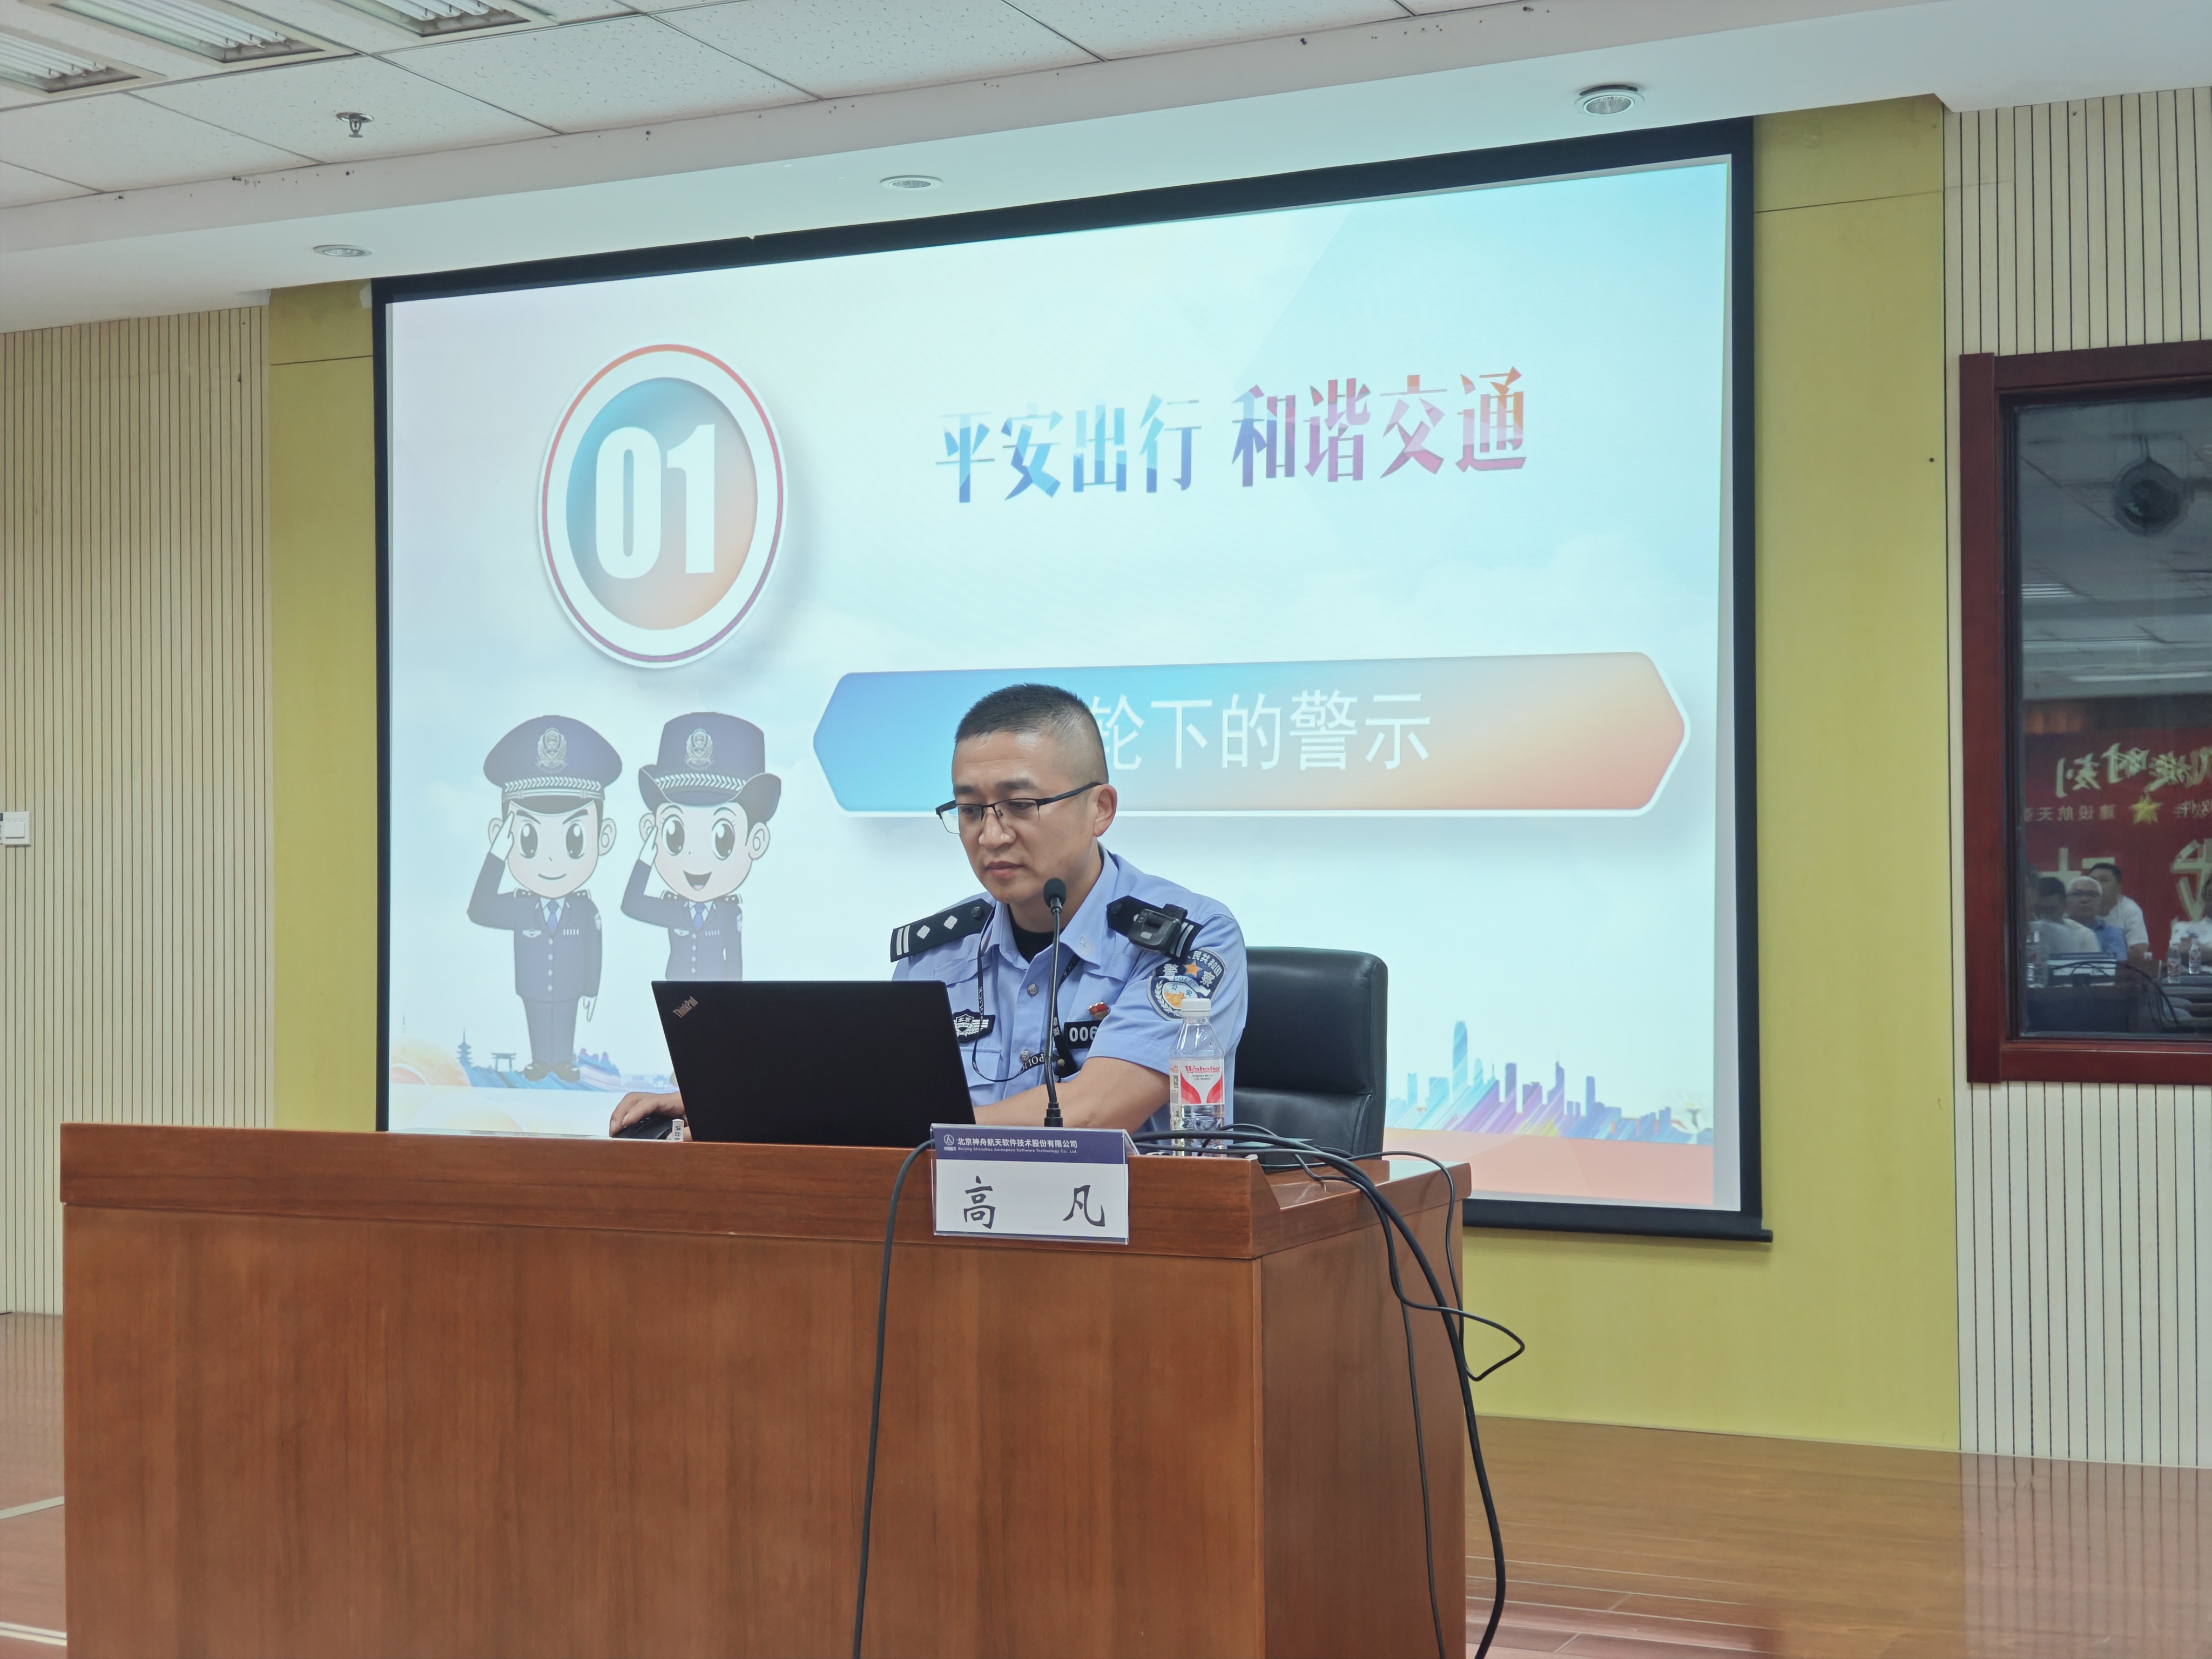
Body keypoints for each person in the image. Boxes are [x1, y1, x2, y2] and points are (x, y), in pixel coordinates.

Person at [610, 683, 1246, 1136]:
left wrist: (901, 1129)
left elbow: (1093, 1112)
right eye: (969, 810)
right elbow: (877, 1093)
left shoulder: (1190, 941)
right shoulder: (938, 953)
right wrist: (734, 1105)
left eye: (1019, 806)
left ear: (1099, 808)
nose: (990, 834)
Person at [469, 716, 622, 1082]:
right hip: (533, 988)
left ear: (603, 837)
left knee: (565, 1019)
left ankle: (563, 1061)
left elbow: (594, 950)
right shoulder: (519, 906)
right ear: (503, 835)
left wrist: (592, 990)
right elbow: (479, 909)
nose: (552, 859)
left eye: (574, 838)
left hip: (570, 989)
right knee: (537, 1018)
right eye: (529, 837)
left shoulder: (585, 909)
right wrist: (497, 855)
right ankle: (541, 1061)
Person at [622, 712, 780, 981]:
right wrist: (645, 861)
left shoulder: (729, 913)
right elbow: (632, 905)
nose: (695, 856)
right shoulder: (673, 910)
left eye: (722, 839)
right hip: (678, 998)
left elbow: (735, 961)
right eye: (675, 835)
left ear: (756, 840)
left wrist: (732, 1001)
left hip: (715, 1000)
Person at [2086, 862, 2153, 967]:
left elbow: (2139, 951)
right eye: (2093, 881)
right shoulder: (2078, 907)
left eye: (2104, 880)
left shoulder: (2129, 909)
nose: (2097, 885)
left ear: (2119, 888)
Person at [2029, 875, 2100, 956]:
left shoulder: (2083, 936)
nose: (2043, 918)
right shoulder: (2022, 935)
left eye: (2050, 911)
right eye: (2038, 911)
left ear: (2065, 906)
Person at [2063, 875, 2127, 960]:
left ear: (2101, 901)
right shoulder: (2055, 929)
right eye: (2078, 894)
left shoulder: (2112, 933)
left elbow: (2117, 963)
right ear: (2065, 900)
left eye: (2092, 895)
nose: (2085, 900)